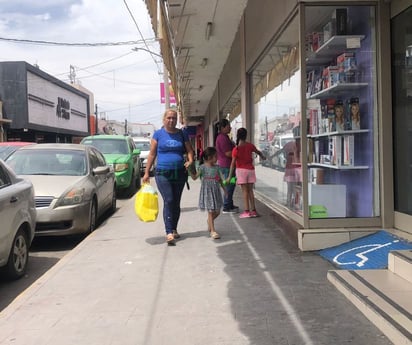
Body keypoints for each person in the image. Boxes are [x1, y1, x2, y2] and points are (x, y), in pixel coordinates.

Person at [143, 109, 194, 244]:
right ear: (164, 119)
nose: (171, 120)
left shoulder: (182, 134)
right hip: (162, 173)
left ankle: (174, 228)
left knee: (176, 203)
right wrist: (147, 172)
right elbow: (152, 154)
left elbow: (189, 150)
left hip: (179, 173)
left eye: (174, 118)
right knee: (169, 200)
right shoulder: (158, 134)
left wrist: (190, 160)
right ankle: (168, 232)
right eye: (169, 118)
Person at [227, 127, 266, 218]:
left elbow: (233, 164)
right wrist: (263, 156)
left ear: (237, 136)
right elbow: (258, 152)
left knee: (244, 191)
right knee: (250, 191)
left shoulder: (236, 149)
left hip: (241, 171)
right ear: (246, 136)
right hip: (250, 170)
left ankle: (247, 211)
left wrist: (229, 176)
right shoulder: (250, 146)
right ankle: (254, 211)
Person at [189, 147, 226, 239]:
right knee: (210, 211)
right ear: (209, 157)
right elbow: (194, 177)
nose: (217, 158)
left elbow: (220, 180)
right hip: (207, 192)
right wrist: (189, 168)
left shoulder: (217, 167)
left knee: (217, 211)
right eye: (215, 156)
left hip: (216, 191)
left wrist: (225, 190)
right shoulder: (202, 168)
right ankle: (213, 231)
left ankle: (209, 221)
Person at [215, 118, 238, 213]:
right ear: (223, 127)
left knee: (231, 185)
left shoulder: (224, 137)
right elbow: (228, 153)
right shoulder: (222, 138)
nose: (230, 127)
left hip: (227, 166)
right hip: (227, 166)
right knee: (229, 186)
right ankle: (226, 206)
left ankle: (229, 203)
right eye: (228, 125)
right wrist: (237, 153)